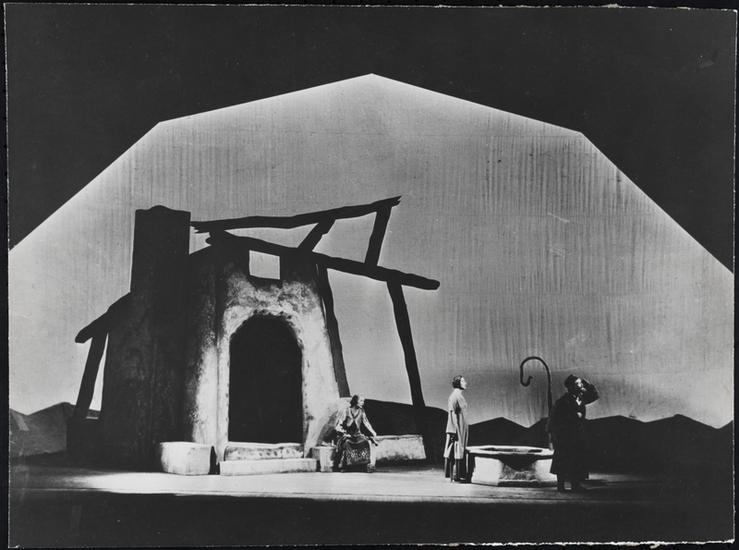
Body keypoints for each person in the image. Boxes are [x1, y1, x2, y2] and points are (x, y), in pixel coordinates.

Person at [547, 375, 599, 492]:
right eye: (578, 384)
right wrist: (572, 416)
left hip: (577, 435)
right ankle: (560, 486)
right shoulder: (563, 401)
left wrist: (586, 382)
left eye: (581, 384)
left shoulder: (581, 398)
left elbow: (594, 395)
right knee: (562, 460)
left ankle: (576, 485)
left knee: (577, 460)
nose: (580, 386)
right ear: (571, 387)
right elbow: (554, 418)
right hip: (565, 435)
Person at [333, 395, 378, 472]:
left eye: (363, 401)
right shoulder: (346, 411)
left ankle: (364, 465)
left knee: (365, 442)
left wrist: (373, 432)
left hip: (357, 435)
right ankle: (346, 466)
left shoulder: (361, 411)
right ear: (355, 401)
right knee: (347, 443)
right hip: (347, 435)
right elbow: (338, 425)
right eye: (361, 401)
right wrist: (343, 433)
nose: (363, 403)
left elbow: (366, 423)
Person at [444, 375, 470, 482]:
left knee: (460, 450)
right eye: (463, 381)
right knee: (455, 451)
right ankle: (456, 475)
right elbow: (452, 414)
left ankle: (459, 474)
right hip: (457, 428)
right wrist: (455, 430)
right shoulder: (454, 396)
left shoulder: (459, 396)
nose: (465, 383)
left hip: (461, 427)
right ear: (458, 383)